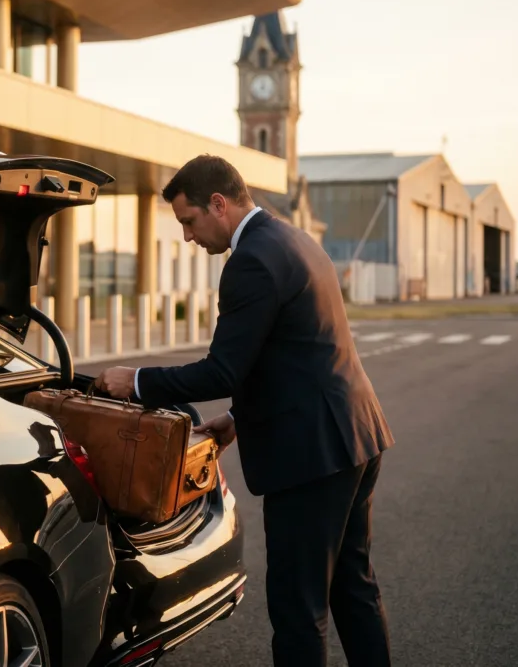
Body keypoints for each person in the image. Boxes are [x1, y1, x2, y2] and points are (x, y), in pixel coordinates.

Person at [94, 154, 394, 667]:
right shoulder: (292, 238)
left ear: (219, 203)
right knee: (353, 588)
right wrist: (238, 419)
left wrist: (135, 380)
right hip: (356, 437)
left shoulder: (250, 260)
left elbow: (221, 371)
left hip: (311, 457)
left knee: (299, 612)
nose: (188, 237)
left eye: (189, 222)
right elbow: (294, 353)